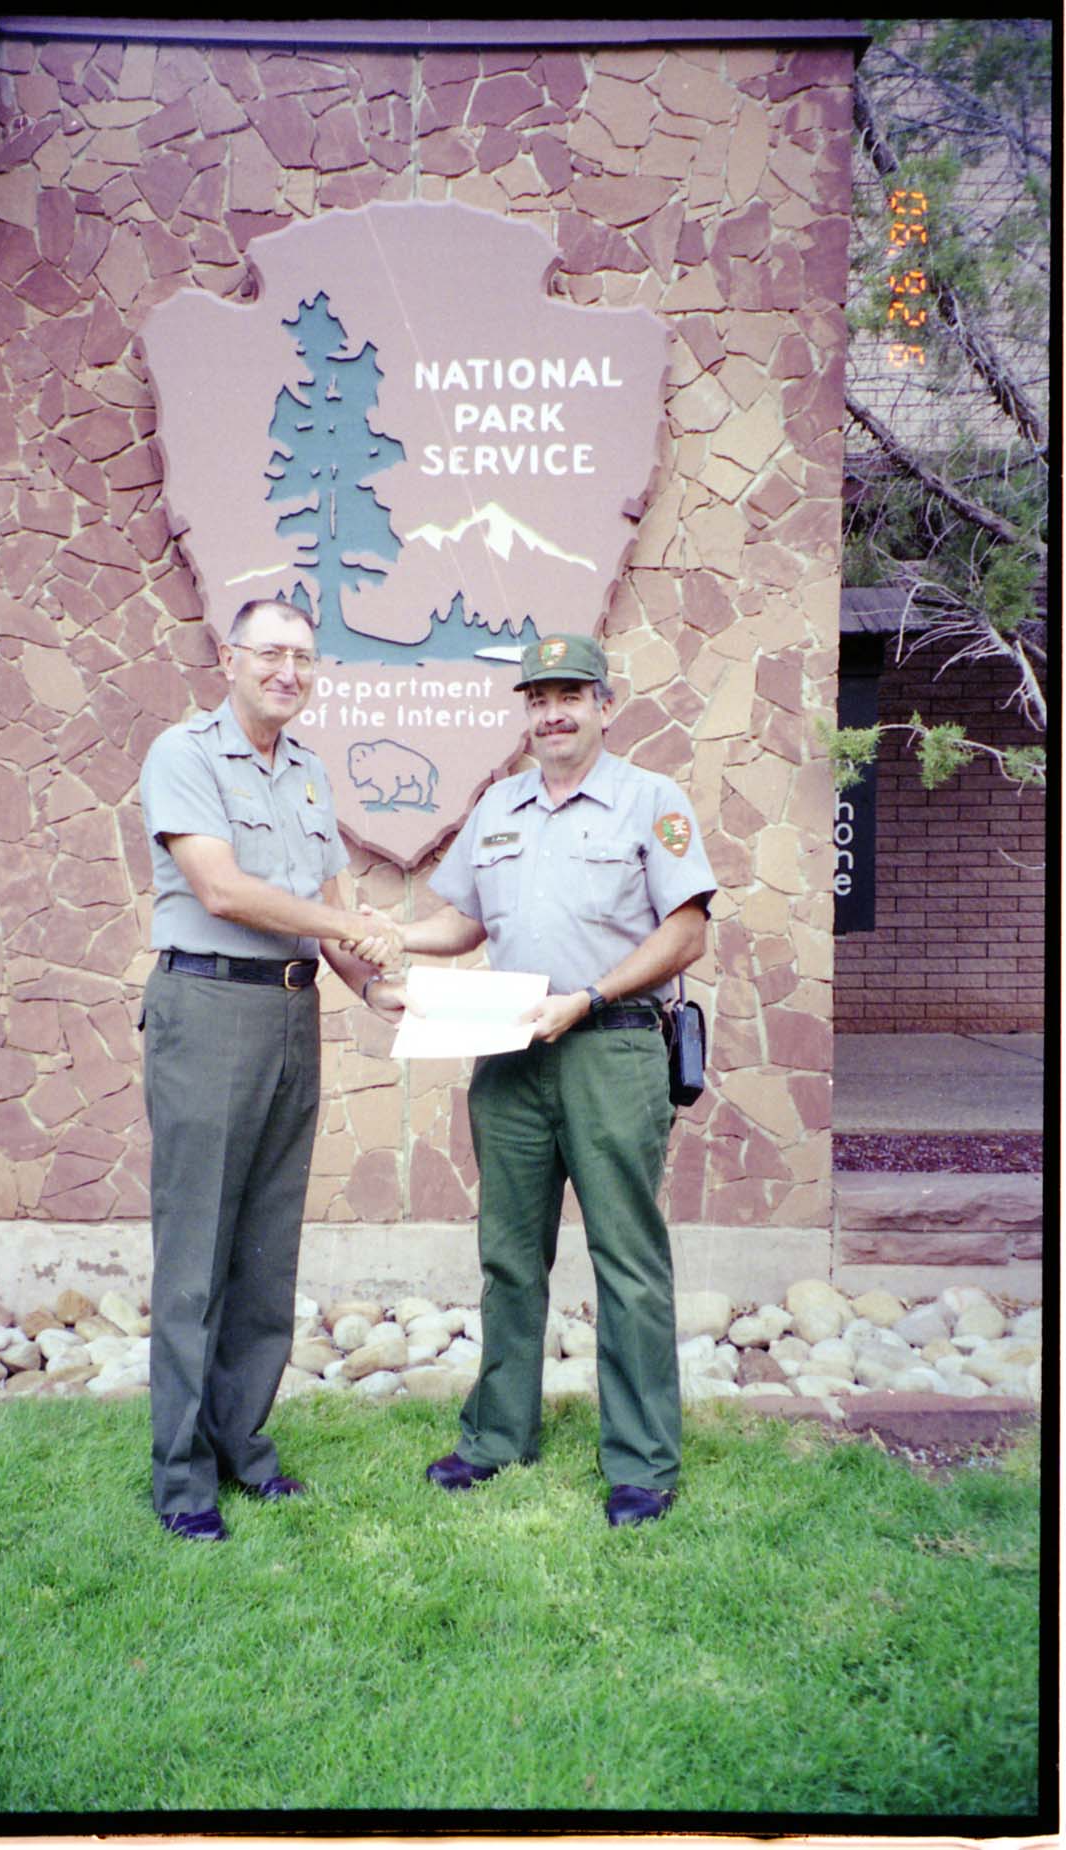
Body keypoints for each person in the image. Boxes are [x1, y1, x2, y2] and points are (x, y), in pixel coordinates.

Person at [366, 634, 715, 1527]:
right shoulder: (500, 808)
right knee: (509, 1256)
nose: (552, 711)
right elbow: (460, 922)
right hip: (511, 1058)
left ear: (605, 704)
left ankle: (640, 1463)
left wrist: (587, 997)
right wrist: (391, 939)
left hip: (611, 1047)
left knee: (627, 1259)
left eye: (570, 693)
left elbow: (685, 936)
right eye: (538, 696)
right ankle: (496, 1437)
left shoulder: (652, 801)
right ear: (525, 713)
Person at [139, 598, 402, 1543]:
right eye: (272, 654)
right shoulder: (185, 754)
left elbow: (330, 906)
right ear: (231, 657)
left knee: (263, 1250)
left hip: (293, 1011)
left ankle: (242, 1446)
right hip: (207, 1009)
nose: (289, 670)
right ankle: (182, 1479)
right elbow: (221, 888)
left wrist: (376, 990)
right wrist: (349, 927)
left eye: (304, 657)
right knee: (196, 1251)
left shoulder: (307, 774)